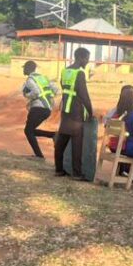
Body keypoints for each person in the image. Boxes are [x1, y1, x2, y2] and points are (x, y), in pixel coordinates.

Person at [54, 48, 94, 179]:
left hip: (65, 109)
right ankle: (77, 173)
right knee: (77, 143)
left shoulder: (65, 71)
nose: (87, 61)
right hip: (76, 111)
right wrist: (90, 111)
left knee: (61, 141)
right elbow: (84, 95)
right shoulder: (80, 73)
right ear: (81, 58)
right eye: (87, 58)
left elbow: (64, 87)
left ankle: (59, 169)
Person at [21, 60, 59, 159]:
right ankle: (53, 135)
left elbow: (36, 92)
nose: (23, 70)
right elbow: (56, 89)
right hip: (47, 109)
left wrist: (27, 95)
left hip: (38, 108)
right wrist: (49, 96)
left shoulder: (30, 80)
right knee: (30, 130)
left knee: (28, 131)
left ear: (28, 68)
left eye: (24, 68)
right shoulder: (43, 78)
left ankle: (39, 156)